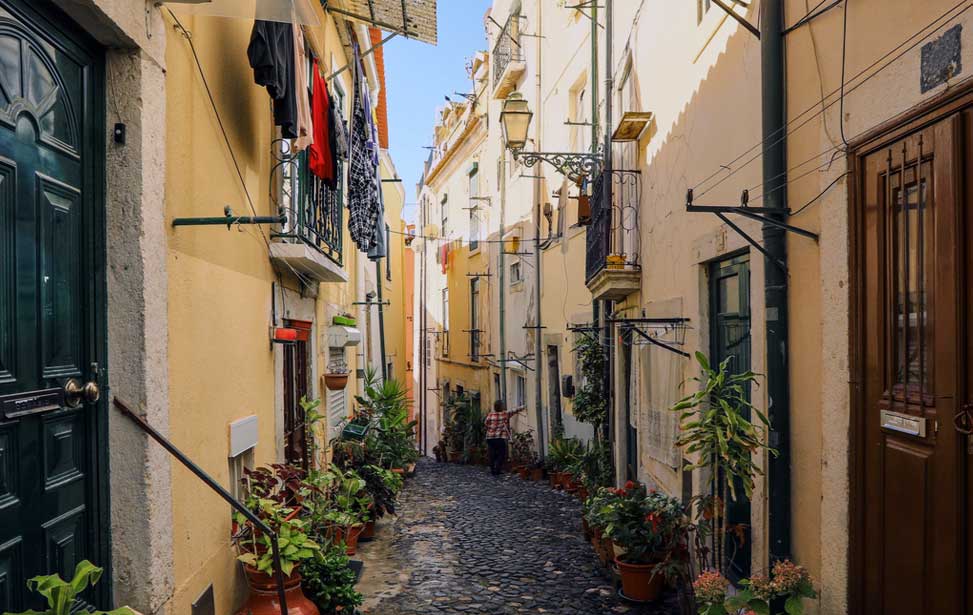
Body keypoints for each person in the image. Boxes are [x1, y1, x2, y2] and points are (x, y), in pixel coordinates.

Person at [484, 400, 523, 476]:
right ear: (501, 407)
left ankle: (492, 470)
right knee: (502, 454)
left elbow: (486, 423)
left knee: (492, 454)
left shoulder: (490, 415)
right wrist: (523, 406)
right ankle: (497, 469)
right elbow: (514, 411)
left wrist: (491, 429)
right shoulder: (504, 414)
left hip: (490, 437)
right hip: (499, 437)